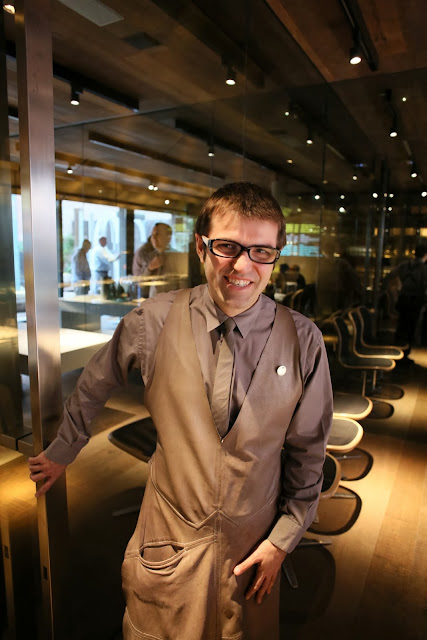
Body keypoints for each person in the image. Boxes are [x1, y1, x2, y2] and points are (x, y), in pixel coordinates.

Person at [28, 182, 333, 640]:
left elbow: (309, 451)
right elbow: (95, 381)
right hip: (169, 533)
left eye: (261, 251)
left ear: (275, 255)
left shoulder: (303, 339)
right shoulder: (153, 319)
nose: (242, 266)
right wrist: (63, 449)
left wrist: (283, 540)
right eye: (227, 247)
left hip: (254, 542)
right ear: (201, 247)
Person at [392, 244, 427, 362]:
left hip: (404, 299)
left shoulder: (405, 265)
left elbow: (391, 276)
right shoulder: (423, 269)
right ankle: (405, 354)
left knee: (401, 327)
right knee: (411, 328)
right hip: (415, 302)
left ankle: (398, 351)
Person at [132, 222, 173, 297]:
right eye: (152, 235)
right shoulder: (148, 256)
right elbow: (140, 284)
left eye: (158, 234)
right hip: (152, 301)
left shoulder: (175, 257)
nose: (154, 238)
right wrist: (150, 268)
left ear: (168, 238)